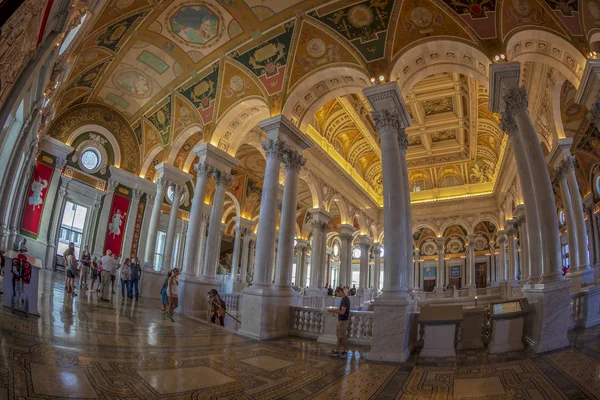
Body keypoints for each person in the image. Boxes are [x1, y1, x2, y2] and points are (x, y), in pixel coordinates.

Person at [328, 286, 350, 358]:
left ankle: (346, 351)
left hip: (343, 321)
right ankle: (337, 350)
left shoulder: (345, 299)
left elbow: (342, 312)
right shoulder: (344, 299)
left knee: (343, 337)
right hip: (341, 320)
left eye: (337, 293)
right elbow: (341, 310)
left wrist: (333, 310)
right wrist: (335, 310)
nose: (337, 295)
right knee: (339, 337)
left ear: (340, 291)